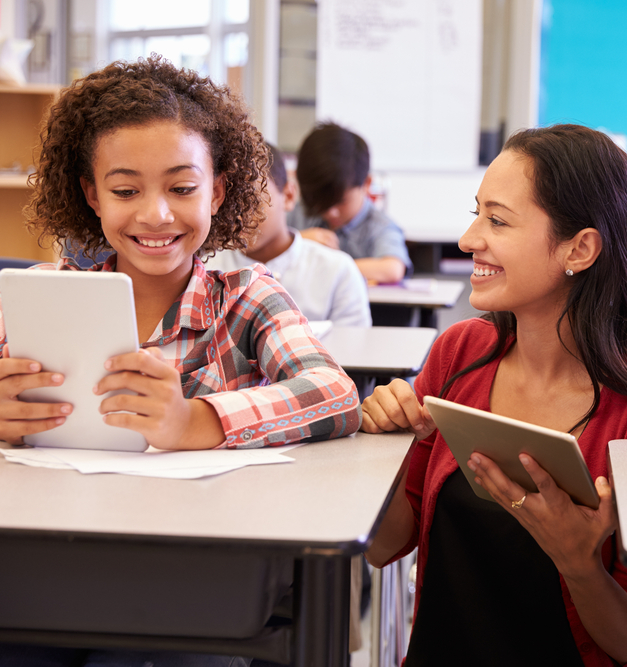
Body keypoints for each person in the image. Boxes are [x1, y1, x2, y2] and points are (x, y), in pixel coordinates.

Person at [0, 56, 361, 667]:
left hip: (192, 586)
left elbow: (334, 393)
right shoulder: (43, 294)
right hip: (52, 571)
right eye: (124, 190)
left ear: (217, 190)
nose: (156, 214)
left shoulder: (247, 296)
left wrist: (197, 423)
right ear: (91, 195)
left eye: (182, 187)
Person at [361, 124, 627, 666]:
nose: (469, 239)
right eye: (477, 214)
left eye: (497, 220)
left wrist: (579, 564)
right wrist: (386, 452)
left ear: (580, 248)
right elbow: (383, 547)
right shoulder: (458, 353)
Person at [206, 142, 371, 327]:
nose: (238, 215)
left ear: (289, 196)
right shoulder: (206, 273)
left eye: (251, 202)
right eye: (227, 204)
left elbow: (353, 351)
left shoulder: (338, 272)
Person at [288, 122, 412, 284]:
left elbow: (393, 269)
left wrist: (327, 265)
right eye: (321, 201)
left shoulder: (379, 225)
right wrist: (296, 241)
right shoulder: (297, 213)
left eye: (340, 202)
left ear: (367, 183)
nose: (331, 212)